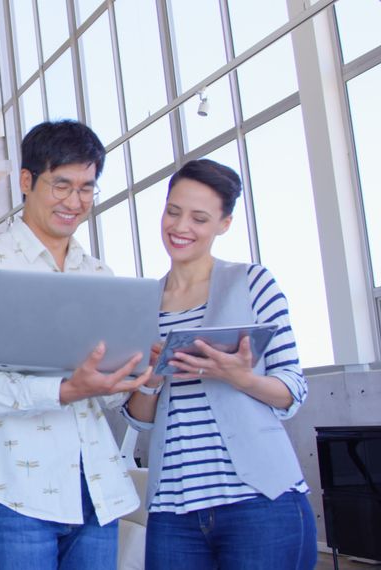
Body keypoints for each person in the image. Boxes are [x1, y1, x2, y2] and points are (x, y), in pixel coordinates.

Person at [0, 120, 153, 569]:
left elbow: (112, 396)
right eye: (61, 185)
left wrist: (137, 374)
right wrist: (63, 390)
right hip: (20, 488)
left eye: (86, 188)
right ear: (27, 181)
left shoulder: (100, 276)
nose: (74, 202)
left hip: (97, 488)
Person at [123, 159, 317, 569]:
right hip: (172, 509)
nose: (180, 227)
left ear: (224, 224)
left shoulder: (253, 283)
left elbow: (291, 390)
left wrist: (239, 376)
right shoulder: (142, 303)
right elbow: (140, 419)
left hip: (258, 502)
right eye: (173, 211)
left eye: (199, 218)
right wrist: (152, 380)